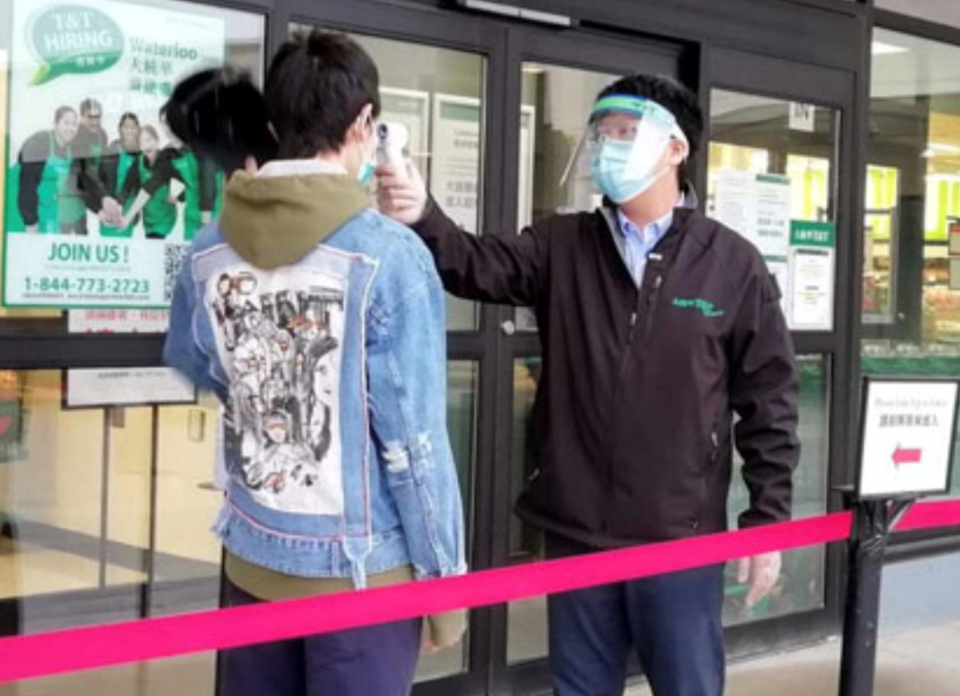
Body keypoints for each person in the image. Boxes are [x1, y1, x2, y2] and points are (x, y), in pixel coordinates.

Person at [378, 75, 800, 696]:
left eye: (626, 133)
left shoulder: (731, 263)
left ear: (676, 149)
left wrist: (768, 521)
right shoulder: (563, 244)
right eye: (602, 134)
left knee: (688, 685)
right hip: (578, 529)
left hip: (678, 535)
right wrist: (423, 215)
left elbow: (770, 399)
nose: (608, 146)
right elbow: (475, 264)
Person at [163, 30, 466, 696]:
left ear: (276, 125)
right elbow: (414, 446)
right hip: (362, 578)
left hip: (251, 561)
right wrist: (445, 585)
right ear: (363, 123)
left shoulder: (208, 252)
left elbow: (192, 361)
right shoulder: (390, 255)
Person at [16, 106, 86, 234]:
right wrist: (30, 223)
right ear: (55, 123)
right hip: (24, 214)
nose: (71, 128)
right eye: (66, 123)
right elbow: (27, 186)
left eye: (74, 124)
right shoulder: (39, 142)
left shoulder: (70, 149)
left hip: (50, 215)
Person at [118, 125, 184, 238]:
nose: (146, 145)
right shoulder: (138, 162)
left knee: (156, 241)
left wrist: (179, 197)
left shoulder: (166, 161)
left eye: (149, 140)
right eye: (142, 142)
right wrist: (119, 206)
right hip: (148, 217)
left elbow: (191, 182)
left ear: (157, 141)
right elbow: (127, 186)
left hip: (164, 217)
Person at [96, 112, 141, 237]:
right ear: (120, 128)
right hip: (110, 203)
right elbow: (101, 176)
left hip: (127, 205)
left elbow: (135, 182)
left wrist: (132, 210)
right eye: (126, 127)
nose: (129, 131)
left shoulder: (140, 153)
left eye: (133, 127)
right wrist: (105, 200)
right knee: (107, 240)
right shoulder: (112, 148)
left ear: (137, 129)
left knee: (124, 240)